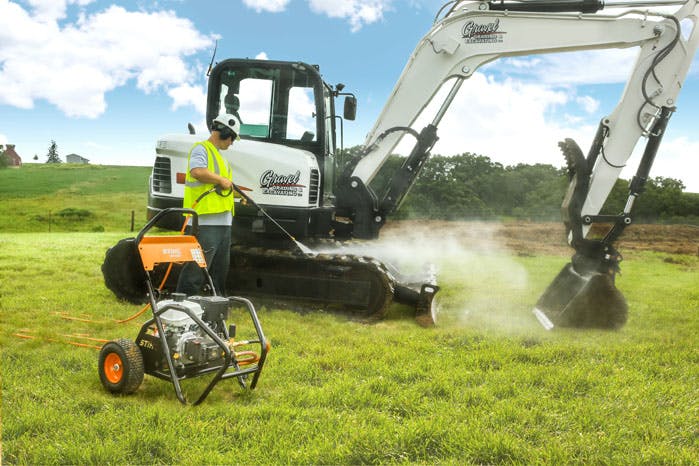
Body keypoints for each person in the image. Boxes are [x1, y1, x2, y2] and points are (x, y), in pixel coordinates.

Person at [176, 113, 241, 297]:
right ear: (224, 132)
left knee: (220, 270)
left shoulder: (221, 157)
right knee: (196, 269)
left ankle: (216, 306)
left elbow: (219, 187)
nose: (232, 143)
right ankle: (184, 306)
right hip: (204, 222)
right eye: (232, 138)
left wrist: (235, 193)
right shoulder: (201, 149)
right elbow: (197, 171)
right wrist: (221, 179)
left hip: (222, 223)